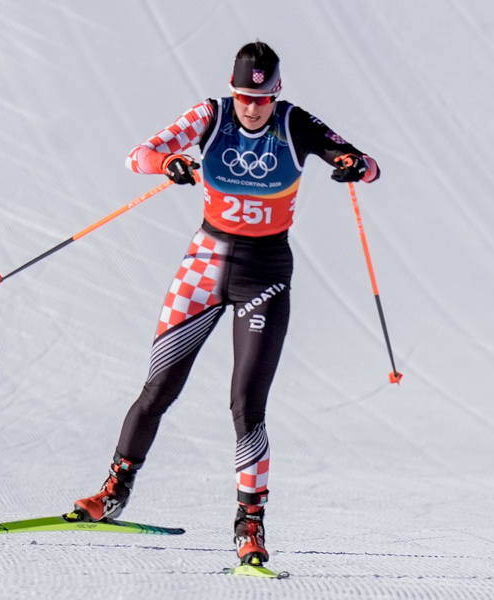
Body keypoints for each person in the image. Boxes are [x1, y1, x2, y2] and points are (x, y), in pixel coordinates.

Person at [73, 41, 380, 566]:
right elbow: (137, 155)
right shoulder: (211, 115)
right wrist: (169, 160)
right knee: (158, 389)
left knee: (246, 406)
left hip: (264, 275)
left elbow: (368, 164)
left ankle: (250, 525)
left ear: (275, 91)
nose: (252, 106)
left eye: (260, 97)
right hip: (204, 266)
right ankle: (114, 493)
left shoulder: (293, 123)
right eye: (244, 96)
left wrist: (354, 165)